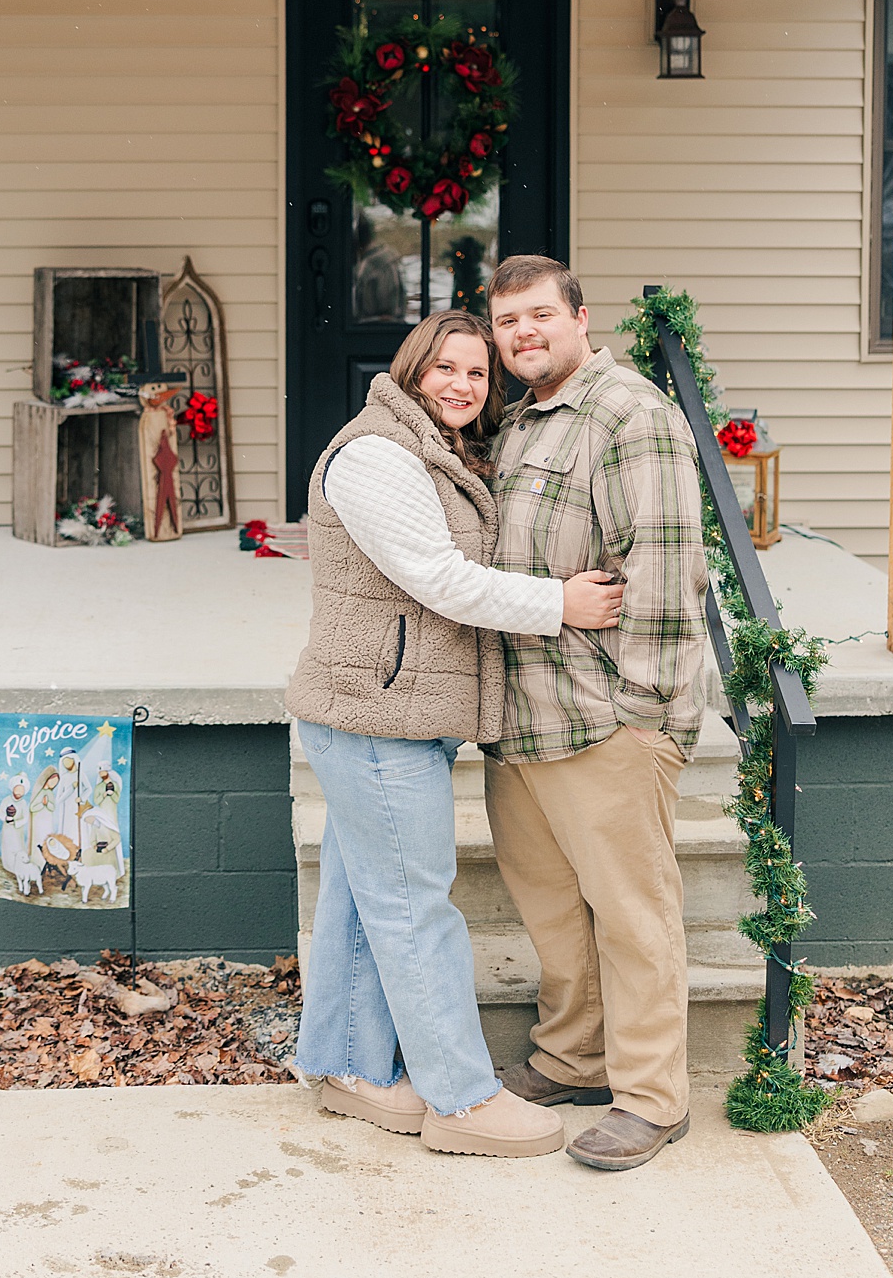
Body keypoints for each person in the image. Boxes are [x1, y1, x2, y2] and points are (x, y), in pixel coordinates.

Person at [287, 309, 625, 1158]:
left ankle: (351, 1067)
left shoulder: (433, 450)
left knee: (364, 897)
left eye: (477, 374)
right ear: (410, 369)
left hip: (394, 710)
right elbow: (441, 580)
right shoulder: (375, 455)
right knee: (412, 906)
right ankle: (461, 1098)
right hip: (374, 716)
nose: (461, 385)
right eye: (444, 368)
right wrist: (560, 604)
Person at [484, 255, 710, 1173]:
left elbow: (663, 569)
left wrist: (643, 714)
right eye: (508, 323)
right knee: (550, 910)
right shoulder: (520, 422)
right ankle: (574, 1057)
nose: (524, 334)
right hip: (524, 718)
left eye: (540, 315)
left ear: (581, 317)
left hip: (604, 717)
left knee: (631, 912)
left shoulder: (631, 416)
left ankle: (653, 1097)